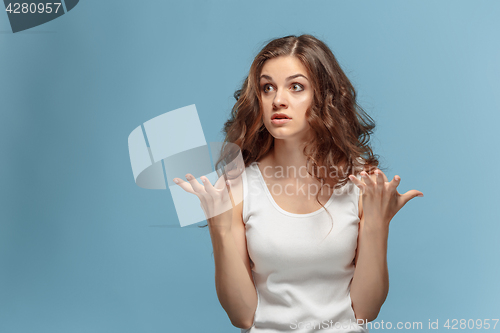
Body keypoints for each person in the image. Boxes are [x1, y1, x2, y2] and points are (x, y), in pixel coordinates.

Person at [173, 34, 423, 332]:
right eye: (268, 88)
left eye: (296, 87)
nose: (278, 100)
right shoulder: (238, 185)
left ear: (324, 96)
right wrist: (219, 224)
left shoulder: (361, 182)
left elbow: (365, 311)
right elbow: (242, 316)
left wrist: (377, 224)